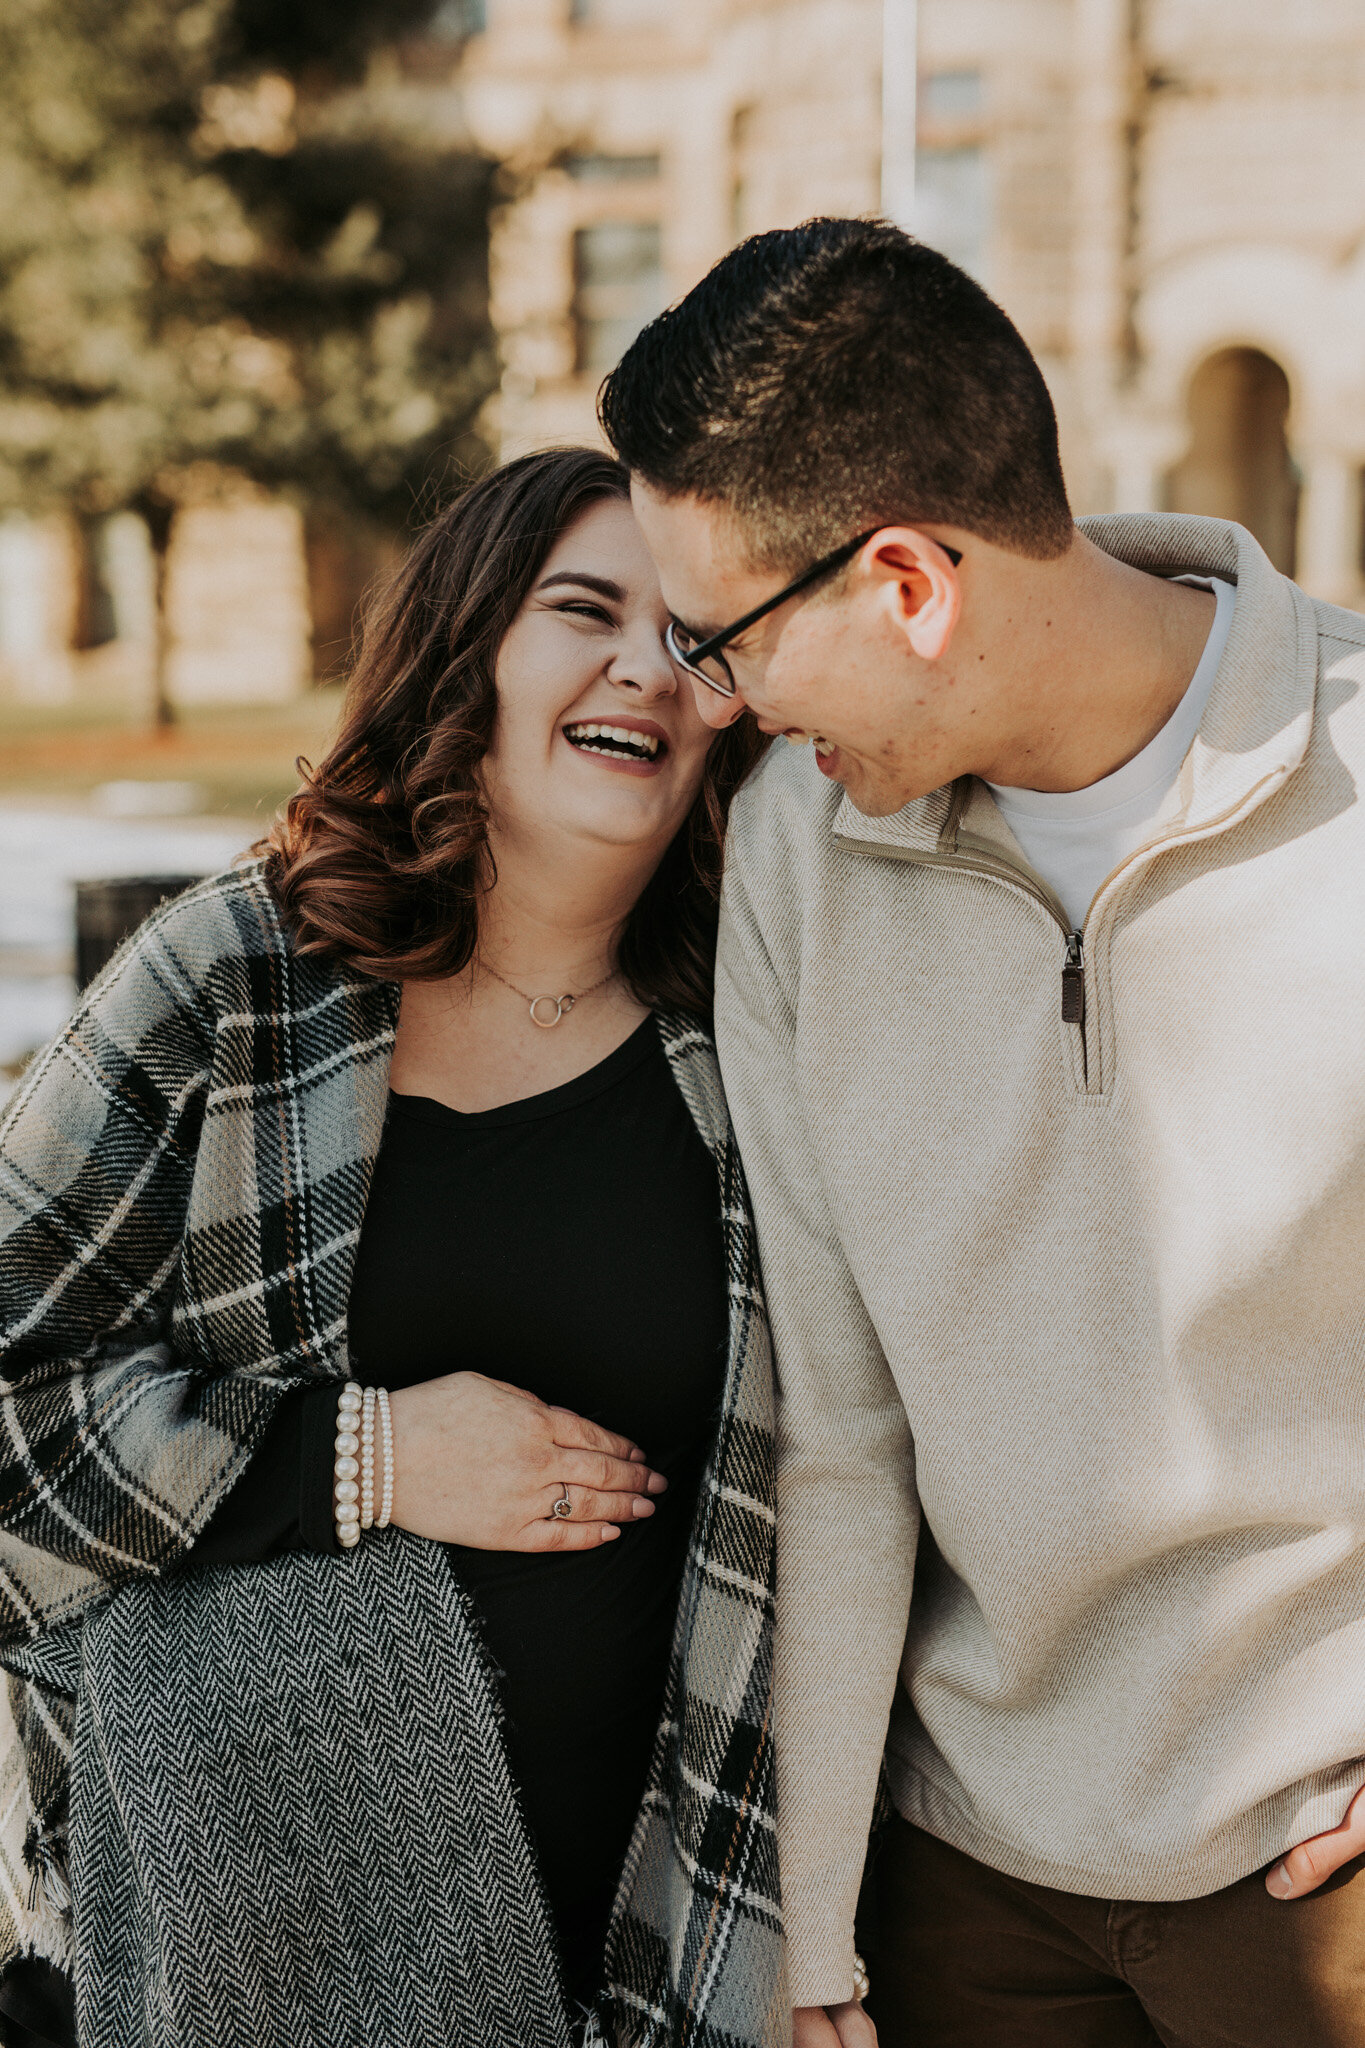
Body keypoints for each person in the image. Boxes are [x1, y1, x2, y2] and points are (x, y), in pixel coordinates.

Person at [598, 217, 1365, 2048]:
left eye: (723, 641)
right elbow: (839, 1431)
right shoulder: (793, 851)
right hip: (967, 1876)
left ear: (907, 583)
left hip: (1323, 1873)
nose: (711, 703)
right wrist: (813, 1932)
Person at [0, 448, 784, 2048]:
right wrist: (358, 1458)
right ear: (469, 648)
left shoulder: (757, 1036)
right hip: (257, 1940)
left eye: (696, 636)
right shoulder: (240, 978)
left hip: (669, 1912)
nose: (646, 664)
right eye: (584, 610)